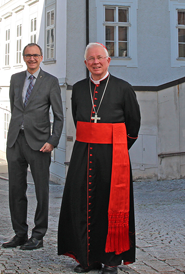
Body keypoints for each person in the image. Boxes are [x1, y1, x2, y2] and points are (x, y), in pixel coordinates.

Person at [58, 43, 141, 274]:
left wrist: (117, 147)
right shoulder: (79, 88)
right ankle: (88, 259)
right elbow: (78, 119)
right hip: (83, 156)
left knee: (109, 207)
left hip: (113, 158)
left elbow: (133, 126)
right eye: (90, 59)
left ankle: (111, 261)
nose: (95, 62)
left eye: (99, 58)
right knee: (82, 206)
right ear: (85, 63)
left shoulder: (123, 88)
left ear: (108, 60)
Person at [2, 43, 63, 250]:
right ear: (23, 57)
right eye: (28, 55)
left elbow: (59, 116)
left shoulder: (51, 82)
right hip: (15, 141)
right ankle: (20, 233)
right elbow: (15, 108)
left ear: (41, 57)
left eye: (35, 55)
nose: (32, 59)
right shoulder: (16, 79)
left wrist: (52, 141)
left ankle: (38, 235)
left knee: (41, 191)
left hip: (39, 144)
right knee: (16, 190)